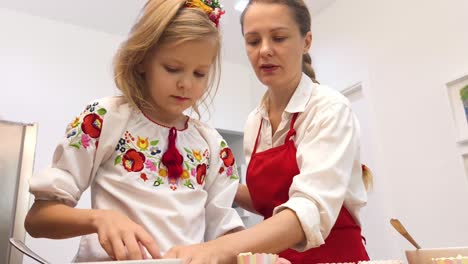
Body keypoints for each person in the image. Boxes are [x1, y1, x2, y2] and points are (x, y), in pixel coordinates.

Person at [24, 0, 244, 261]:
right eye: (172, 68)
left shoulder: (213, 146)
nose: (186, 83)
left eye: (199, 73)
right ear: (142, 60)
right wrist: (98, 219)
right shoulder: (104, 119)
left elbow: (228, 237)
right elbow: (37, 219)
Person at [163, 0, 373, 263]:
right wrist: (209, 175)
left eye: (279, 38)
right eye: (253, 41)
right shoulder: (255, 121)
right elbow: (266, 200)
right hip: (276, 258)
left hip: (335, 256)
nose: (264, 50)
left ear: (306, 42)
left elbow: (310, 208)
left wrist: (218, 248)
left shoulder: (329, 108)